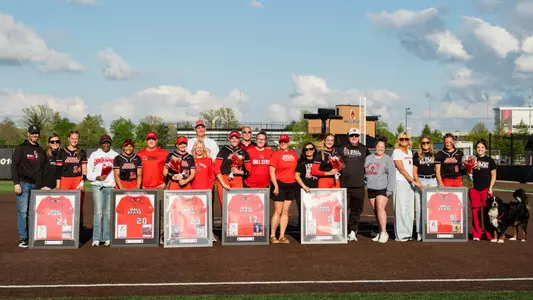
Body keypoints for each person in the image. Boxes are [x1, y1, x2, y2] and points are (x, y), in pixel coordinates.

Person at [12, 125, 45, 248]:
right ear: (28, 134)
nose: (34, 135)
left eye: (36, 133)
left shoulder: (40, 150)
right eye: (32, 133)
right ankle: (23, 238)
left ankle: (32, 236)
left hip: (36, 185)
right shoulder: (21, 148)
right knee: (23, 212)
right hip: (23, 183)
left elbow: (43, 169)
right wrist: (16, 183)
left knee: (33, 212)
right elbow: (14, 165)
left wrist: (42, 185)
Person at [336, 128, 370, 242]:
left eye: (356, 135)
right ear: (348, 136)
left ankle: (353, 231)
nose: (354, 137)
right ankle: (342, 231)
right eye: (352, 136)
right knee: (343, 210)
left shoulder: (364, 148)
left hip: (359, 185)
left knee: (356, 211)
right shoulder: (342, 148)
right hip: (344, 185)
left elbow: (371, 162)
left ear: (359, 136)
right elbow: (335, 163)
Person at [87, 135, 119, 247]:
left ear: (110, 143)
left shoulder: (115, 155)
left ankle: (107, 237)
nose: (106, 145)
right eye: (104, 143)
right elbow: (88, 173)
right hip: (97, 186)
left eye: (108, 143)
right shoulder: (94, 155)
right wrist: (97, 177)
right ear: (100, 144)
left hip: (109, 186)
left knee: (108, 212)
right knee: (98, 212)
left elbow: (117, 173)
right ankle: (96, 237)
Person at [364, 136, 395, 243]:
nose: (380, 148)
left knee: (380, 209)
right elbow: (365, 171)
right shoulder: (369, 158)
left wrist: (389, 190)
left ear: (385, 148)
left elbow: (392, 175)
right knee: (376, 211)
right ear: (375, 147)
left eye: (382, 147)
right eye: (378, 146)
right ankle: (380, 231)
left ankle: (384, 232)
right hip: (371, 188)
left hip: (382, 188)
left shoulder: (387, 159)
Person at [269, 134, 298, 244]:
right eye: (281, 142)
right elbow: (271, 172)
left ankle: (281, 236)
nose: (283, 143)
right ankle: (273, 235)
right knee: (278, 211)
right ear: (279, 142)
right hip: (280, 184)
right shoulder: (276, 155)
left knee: (285, 211)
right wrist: (275, 186)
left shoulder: (294, 155)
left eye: (285, 142)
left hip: (291, 185)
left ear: (288, 142)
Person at [392, 132, 421, 242]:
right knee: (401, 209)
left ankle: (408, 233)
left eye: (406, 139)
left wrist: (415, 181)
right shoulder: (396, 152)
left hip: (410, 183)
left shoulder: (410, 152)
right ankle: (400, 235)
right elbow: (401, 169)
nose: (404, 141)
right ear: (398, 140)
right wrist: (413, 181)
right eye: (401, 139)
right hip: (401, 182)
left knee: (409, 209)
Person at [57, 130, 87, 227]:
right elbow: (58, 170)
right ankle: (64, 225)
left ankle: (78, 227)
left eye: (76, 138)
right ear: (68, 139)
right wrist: (58, 185)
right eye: (72, 138)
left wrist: (82, 181)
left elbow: (84, 169)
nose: (74, 140)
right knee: (64, 204)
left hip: (77, 179)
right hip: (65, 179)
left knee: (79, 205)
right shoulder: (62, 152)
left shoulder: (81, 152)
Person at [469, 139, 496, 242]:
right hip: (474, 189)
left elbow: (493, 175)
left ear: (485, 149)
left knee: (487, 212)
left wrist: (490, 187)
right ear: (476, 149)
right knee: (475, 212)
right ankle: (477, 234)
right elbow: (468, 172)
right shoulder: (472, 159)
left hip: (486, 189)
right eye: (478, 147)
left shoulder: (490, 160)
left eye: (482, 147)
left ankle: (489, 234)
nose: (480, 149)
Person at [215, 131, 251, 205]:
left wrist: (239, 172)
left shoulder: (243, 152)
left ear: (239, 139)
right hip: (224, 178)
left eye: (236, 138)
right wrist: (223, 183)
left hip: (237, 179)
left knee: (237, 204)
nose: (234, 140)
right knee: (224, 204)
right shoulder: (224, 150)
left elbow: (249, 170)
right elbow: (216, 168)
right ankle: (224, 217)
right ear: (229, 139)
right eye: (232, 138)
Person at [413, 136, 437, 241]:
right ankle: (419, 232)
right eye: (423, 143)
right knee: (419, 208)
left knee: (432, 208)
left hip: (432, 181)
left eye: (427, 142)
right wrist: (418, 182)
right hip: (421, 181)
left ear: (430, 143)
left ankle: (431, 231)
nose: (425, 144)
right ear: (421, 144)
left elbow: (437, 170)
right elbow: (414, 171)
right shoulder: (417, 155)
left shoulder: (434, 155)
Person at [294, 142, 319, 230]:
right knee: (303, 210)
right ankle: (303, 230)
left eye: (310, 149)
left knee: (314, 210)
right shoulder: (301, 161)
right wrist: (304, 187)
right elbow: (296, 175)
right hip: (302, 190)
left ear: (314, 150)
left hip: (315, 190)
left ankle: (314, 229)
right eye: (306, 149)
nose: (308, 151)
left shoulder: (318, 161)